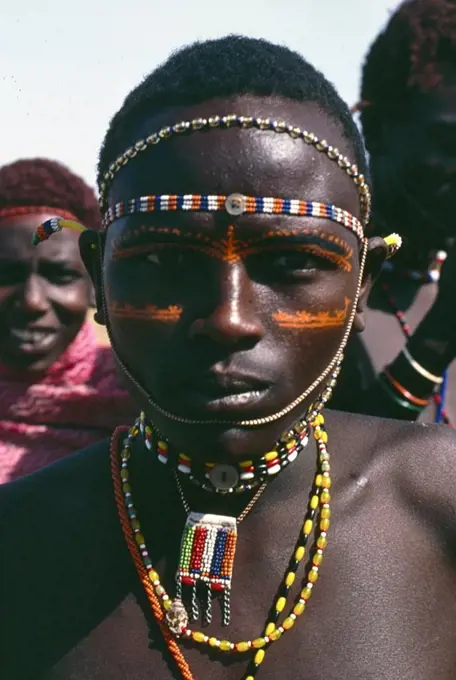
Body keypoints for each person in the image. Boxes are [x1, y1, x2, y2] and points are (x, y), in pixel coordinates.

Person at [2, 36, 456, 680]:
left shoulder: (441, 500)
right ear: (100, 279)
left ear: (362, 286)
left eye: (294, 262)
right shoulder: (18, 542)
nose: (228, 319)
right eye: (164, 260)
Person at [332, 0, 456, 423]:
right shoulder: (309, 278)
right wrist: (437, 339)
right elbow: (336, 478)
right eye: (450, 142)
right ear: (380, 129)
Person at [0, 158, 133, 483]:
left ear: (95, 286)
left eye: (59, 276)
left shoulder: (143, 396)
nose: (32, 301)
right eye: (6, 274)